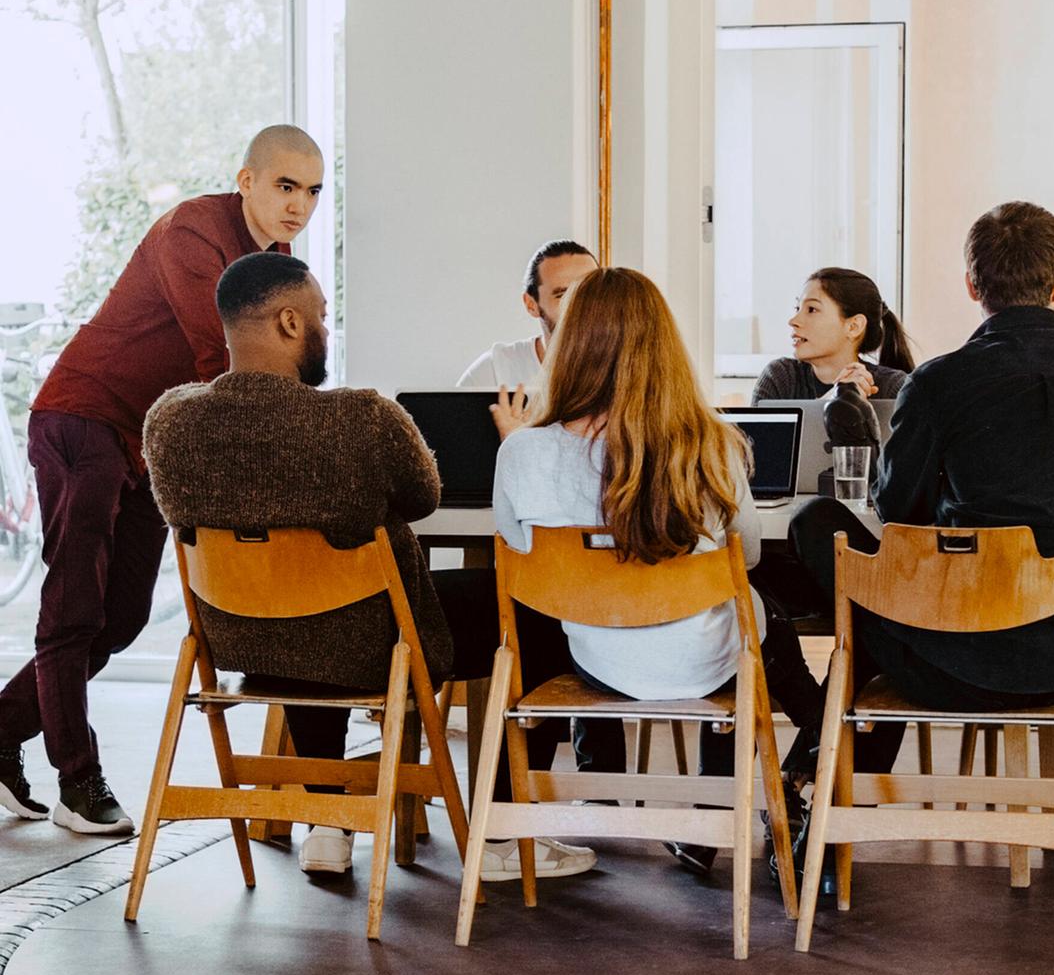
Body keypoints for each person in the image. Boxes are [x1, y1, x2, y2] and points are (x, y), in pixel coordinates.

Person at [144, 252, 595, 883]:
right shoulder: (358, 419)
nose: (326, 329)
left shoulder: (169, 423)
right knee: (532, 605)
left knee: (301, 608)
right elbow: (423, 497)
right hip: (371, 641)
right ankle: (500, 834)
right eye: (322, 316)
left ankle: (327, 823)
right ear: (289, 322)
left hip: (241, 639)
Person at [0, 125, 324, 836]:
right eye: (285, 186)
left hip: (146, 439)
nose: (300, 204)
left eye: (312, 191)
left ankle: (0, 732)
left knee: (123, 618)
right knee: (73, 611)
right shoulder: (193, 233)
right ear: (246, 181)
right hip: (83, 417)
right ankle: (77, 781)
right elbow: (223, 358)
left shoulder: (275, 258)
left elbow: (275, 363)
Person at [783, 201, 1054, 793]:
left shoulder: (938, 384)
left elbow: (896, 510)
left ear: (972, 284)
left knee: (820, 529)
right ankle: (813, 787)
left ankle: (816, 791)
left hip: (945, 654)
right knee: (874, 612)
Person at [492, 267, 824, 877]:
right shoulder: (716, 444)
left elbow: (519, 558)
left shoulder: (522, 452)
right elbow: (743, 558)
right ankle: (736, 799)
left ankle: (509, 828)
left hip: (596, 660)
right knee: (755, 614)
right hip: (703, 665)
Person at [751, 267, 914, 403]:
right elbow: (754, 442)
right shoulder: (780, 378)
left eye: (812, 310)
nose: (793, 321)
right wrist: (833, 399)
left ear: (853, 326)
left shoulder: (894, 388)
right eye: (797, 309)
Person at [456, 240, 598, 388]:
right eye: (562, 295)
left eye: (591, 293)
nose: (582, 306)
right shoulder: (494, 372)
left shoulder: (622, 368)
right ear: (531, 305)